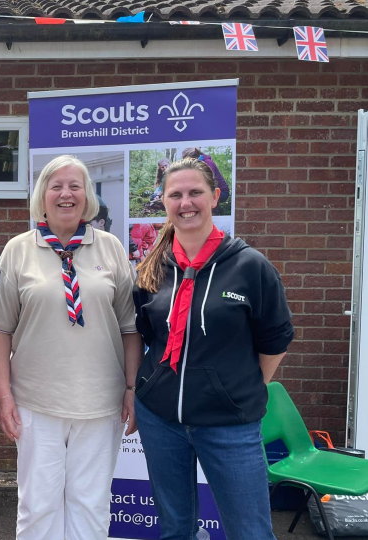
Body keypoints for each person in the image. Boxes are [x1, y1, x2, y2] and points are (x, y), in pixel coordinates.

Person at [0, 155, 142, 540]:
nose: (66, 194)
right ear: (42, 195)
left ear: (87, 197)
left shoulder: (112, 249)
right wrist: (2, 396)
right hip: (36, 402)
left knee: (91, 506)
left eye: (75, 186)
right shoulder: (18, 250)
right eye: (56, 186)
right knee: (38, 507)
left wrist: (133, 388)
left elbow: (130, 328)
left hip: (102, 403)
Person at [132, 158, 294, 540]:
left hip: (229, 424)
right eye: (176, 194)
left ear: (215, 197)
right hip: (160, 420)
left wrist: (236, 389)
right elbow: (143, 333)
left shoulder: (250, 266)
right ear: (165, 202)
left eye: (195, 193)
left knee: (250, 532)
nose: (185, 202)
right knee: (175, 529)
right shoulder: (152, 268)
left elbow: (275, 339)